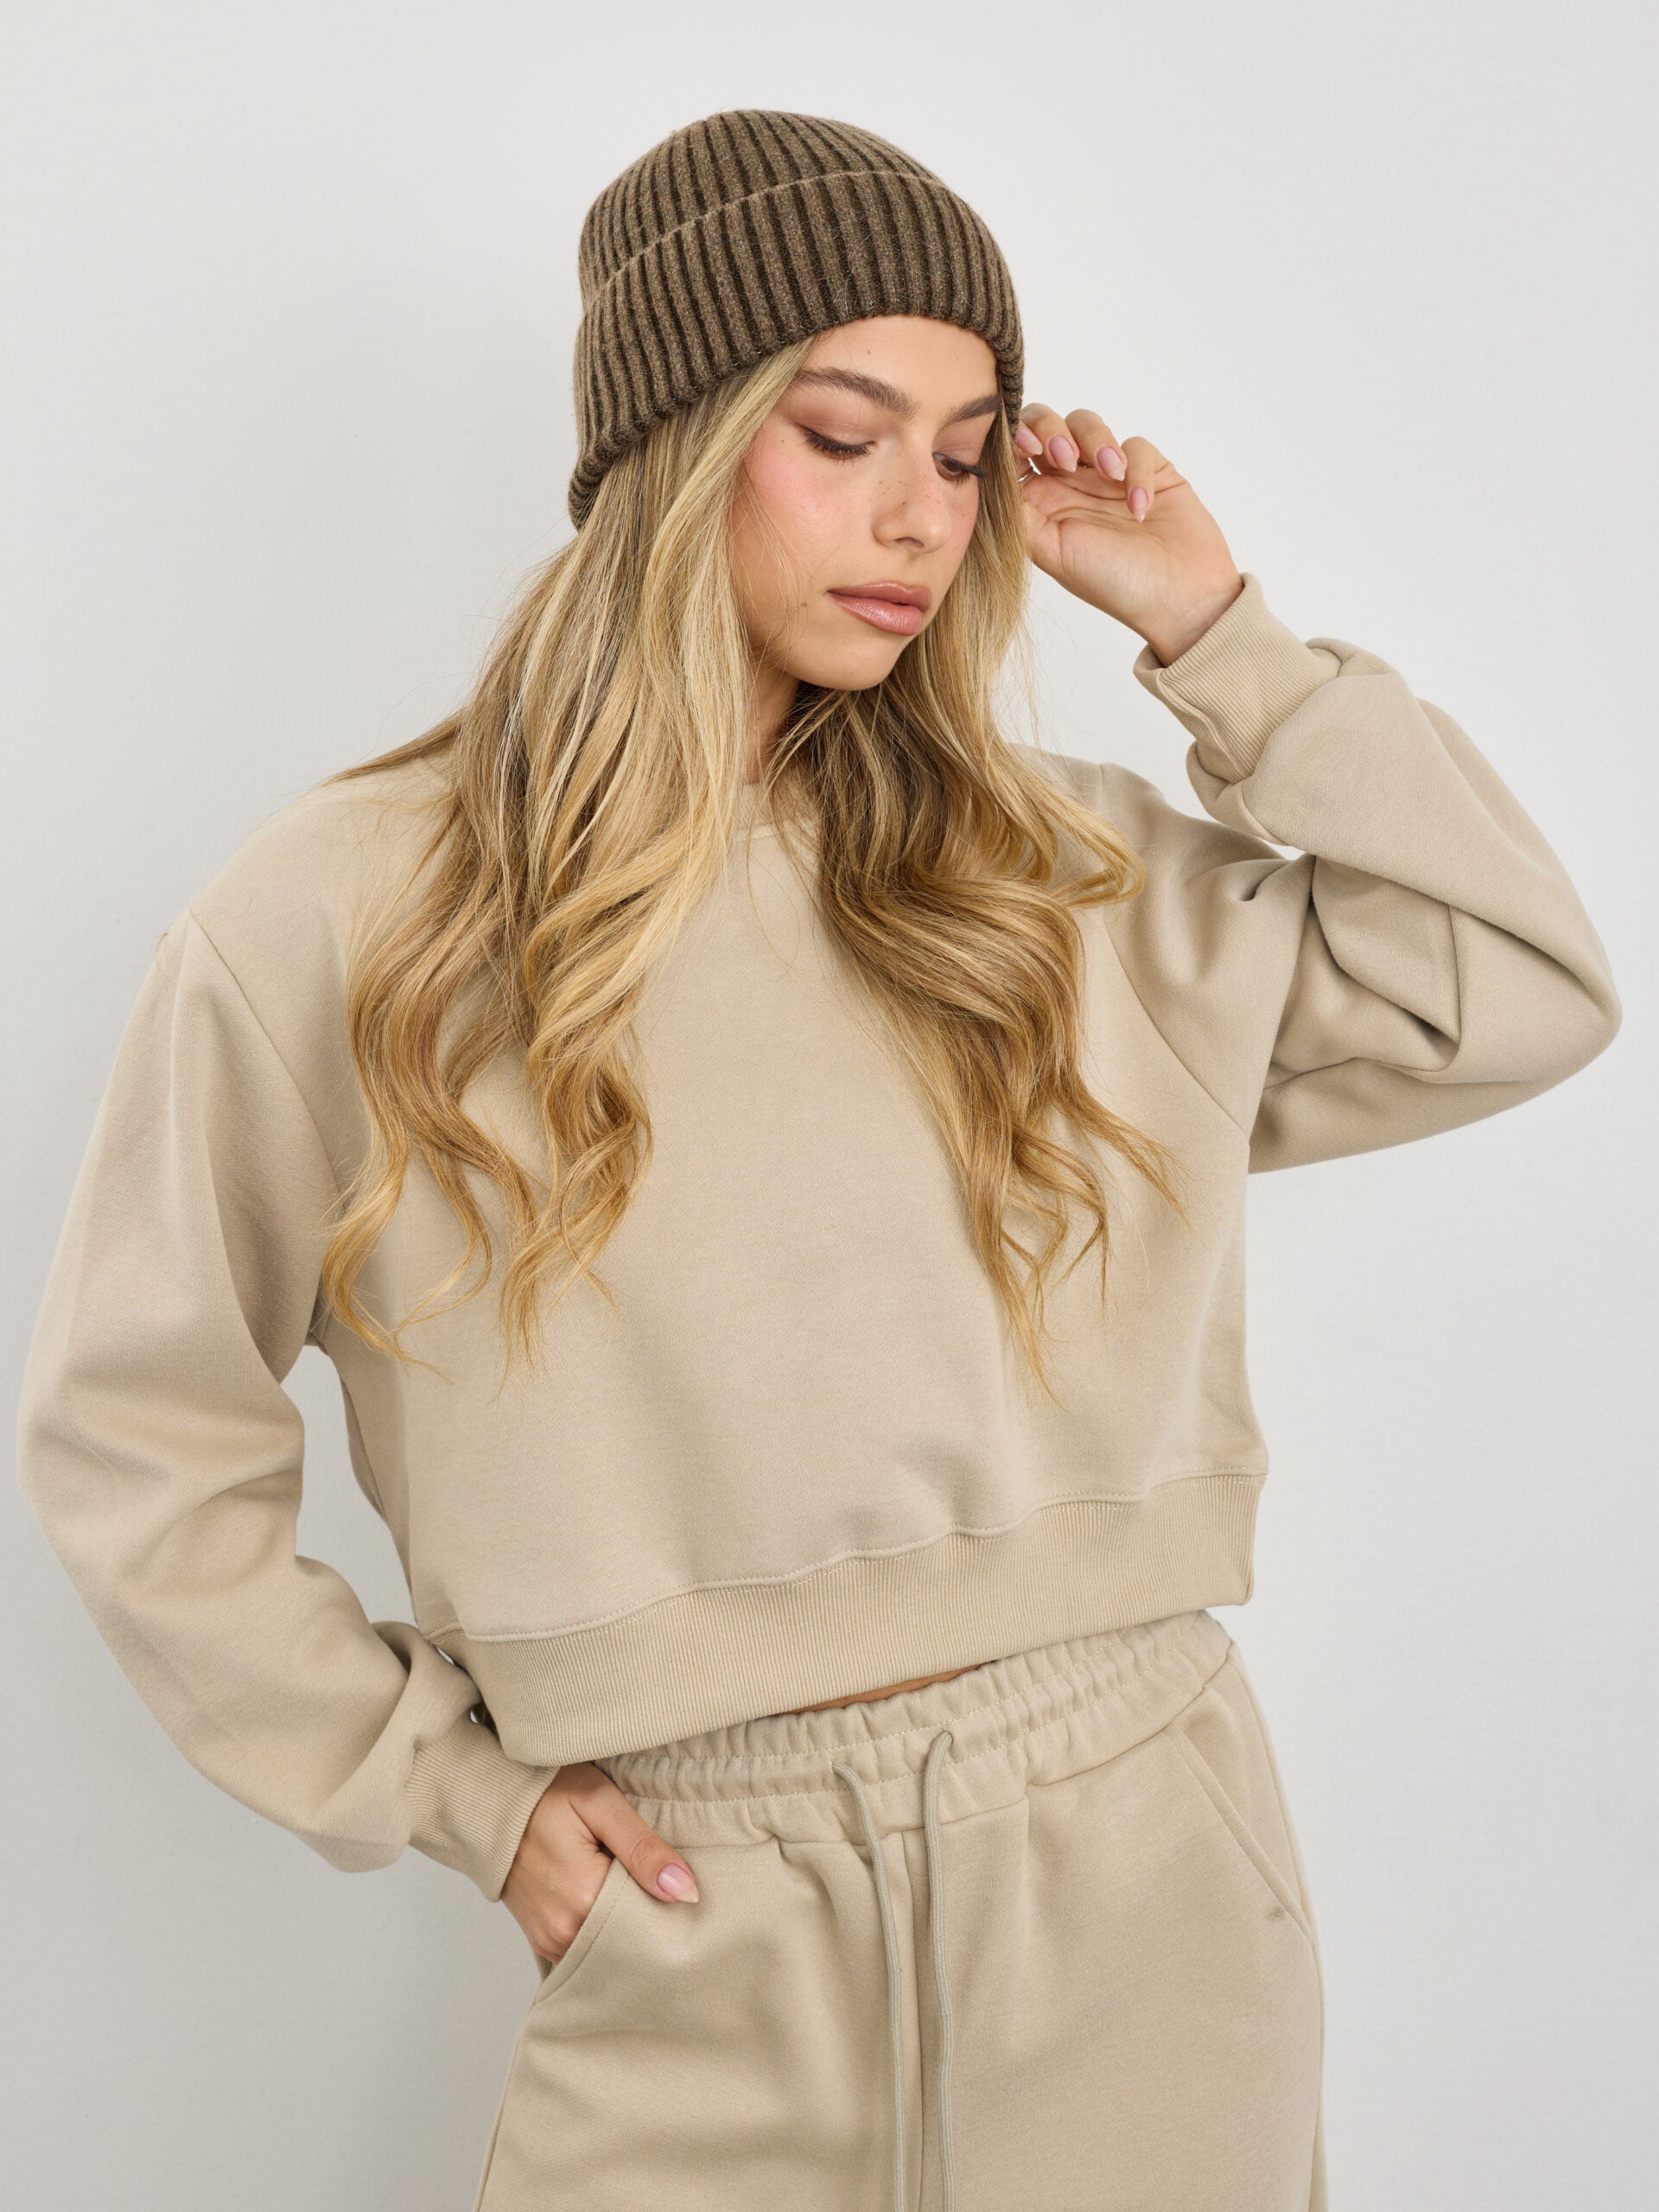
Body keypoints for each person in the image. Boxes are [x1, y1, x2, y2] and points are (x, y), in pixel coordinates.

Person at [16, 108, 1621, 2212]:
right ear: (674, 452)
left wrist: (1217, 626)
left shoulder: (1054, 880)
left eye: (963, 452)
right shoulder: (349, 921)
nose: (919, 515)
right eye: (844, 433)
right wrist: (450, 1790)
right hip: (694, 1912)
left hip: (1141, 1885)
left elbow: (1516, 983)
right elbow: (133, 1431)